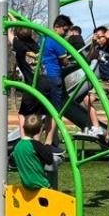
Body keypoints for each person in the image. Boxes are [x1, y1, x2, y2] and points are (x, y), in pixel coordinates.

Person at [40, 14, 73, 147]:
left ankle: (38, 140)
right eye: (64, 30)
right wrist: (68, 60)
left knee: (45, 111)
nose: (65, 34)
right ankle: (49, 142)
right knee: (55, 113)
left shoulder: (44, 37)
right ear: (57, 27)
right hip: (54, 77)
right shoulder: (58, 41)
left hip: (42, 77)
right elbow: (64, 62)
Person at [9, 26, 45, 132]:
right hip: (43, 83)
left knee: (22, 114)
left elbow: (9, 34)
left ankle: (24, 138)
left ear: (17, 35)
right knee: (37, 115)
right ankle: (37, 141)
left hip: (31, 85)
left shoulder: (19, 46)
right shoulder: (36, 46)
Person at [13, 113, 55, 190]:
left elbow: (13, 162)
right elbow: (49, 160)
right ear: (39, 130)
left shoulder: (17, 146)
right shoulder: (36, 145)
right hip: (42, 186)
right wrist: (48, 141)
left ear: (23, 127)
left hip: (27, 186)